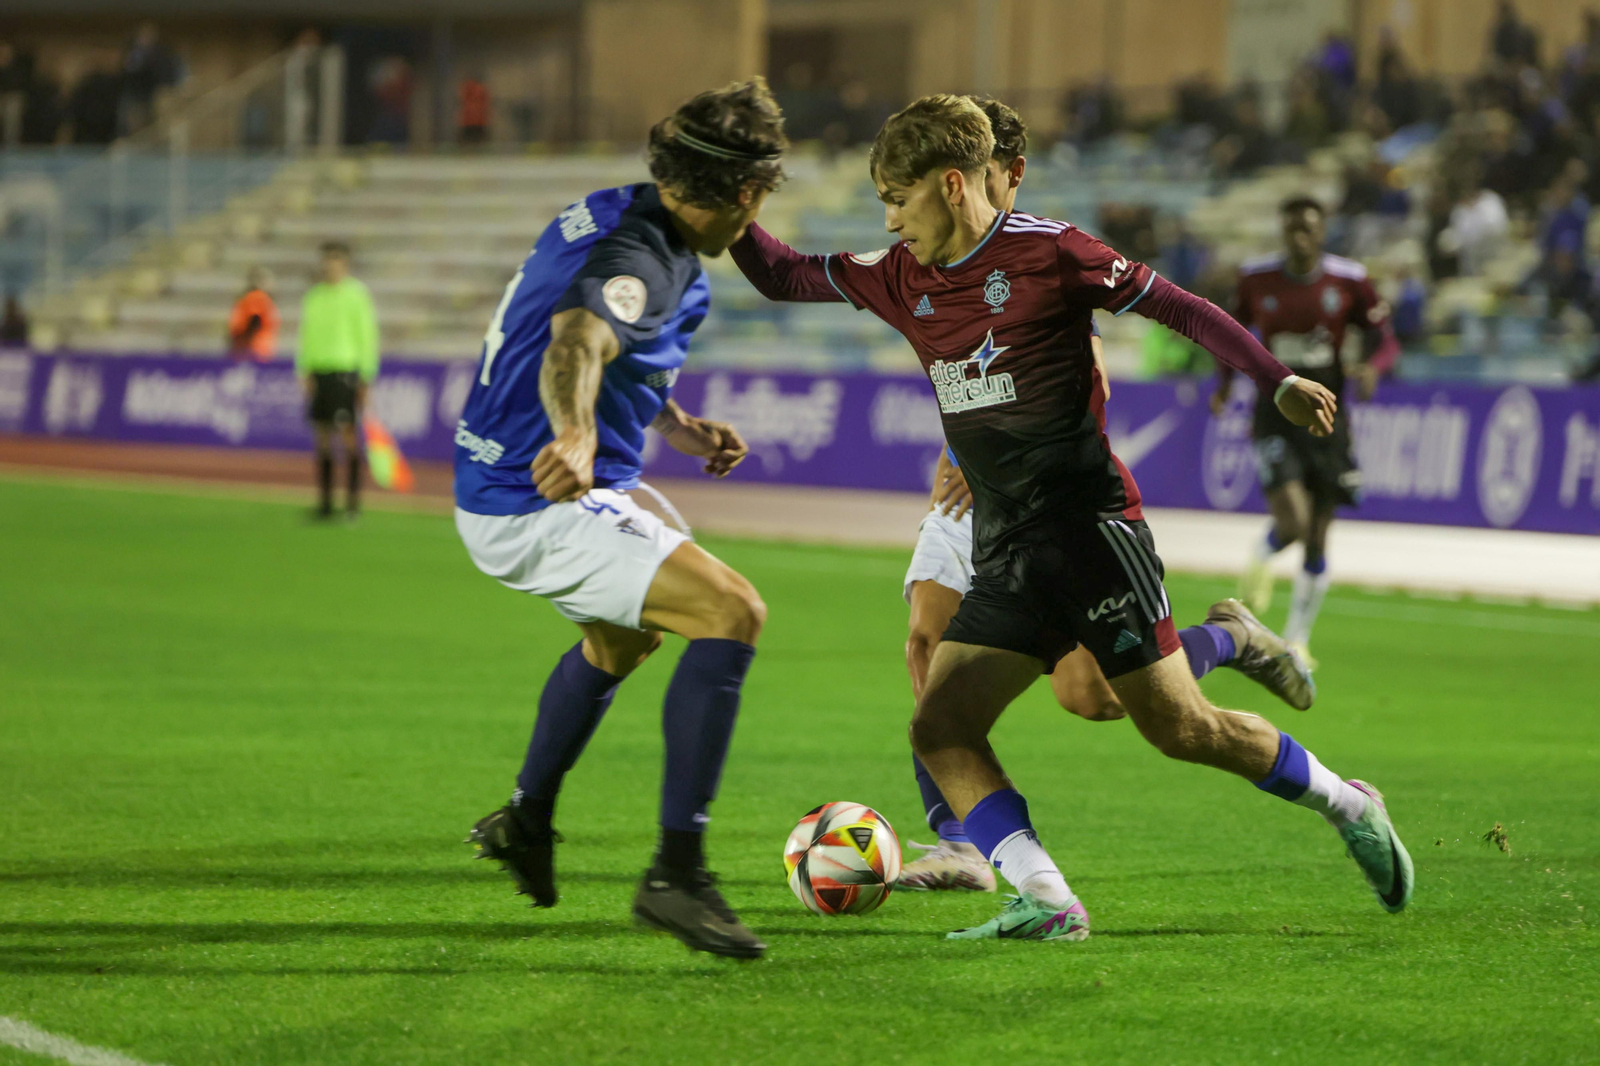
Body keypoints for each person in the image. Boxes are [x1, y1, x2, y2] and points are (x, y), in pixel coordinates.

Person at [732, 94, 1412, 942]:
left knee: (1181, 729)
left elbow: (1179, 308)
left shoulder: (1051, 253)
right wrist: (732, 196)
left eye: (896, 198)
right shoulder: (900, 275)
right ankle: (1048, 899)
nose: (889, 218)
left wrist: (1273, 377)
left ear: (950, 184)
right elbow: (781, 274)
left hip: (1093, 536)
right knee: (940, 725)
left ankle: (1348, 804)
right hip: (1007, 548)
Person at [898, 97, 1315, 894]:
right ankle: (958, 842)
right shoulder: (926, 243)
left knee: (1093, 695)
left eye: (1004, 176)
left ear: (1008, 177)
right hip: (972, 498)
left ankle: (1229, 639)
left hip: (1054, 504)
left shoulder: (1044, 257)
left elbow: (1073, 372)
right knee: (925, 640)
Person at [457, 79, 785, 960]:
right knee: (732, 612)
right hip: (537, 498)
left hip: (518, 481)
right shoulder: (646, 256)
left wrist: (675, 425)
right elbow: (577, 340)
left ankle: (526, 820)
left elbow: (617, 345)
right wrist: (572, 429)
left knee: (622, 643)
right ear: (748, 194)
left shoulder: (614, 214)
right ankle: (677, 873)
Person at [1214, 197, 1398, 666]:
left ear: (1321, 232)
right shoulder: (1257, 279)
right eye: (1292, 228)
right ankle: (1262, 554)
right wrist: (1223, 384)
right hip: (1275, 411)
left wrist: (1373, 367)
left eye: (1308, 229)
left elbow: (1384, 337)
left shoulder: (1349, 280)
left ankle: (1297, 639)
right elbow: (1228, 333)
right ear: (1283, 231)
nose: (1300, 237)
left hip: (1327, 414)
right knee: (1293, 523)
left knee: (1318, 534)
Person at [296, 242, 379, 519]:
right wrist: (304, 370)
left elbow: (366, 337)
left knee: (347, 436)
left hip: (345, 371)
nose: (331, 267)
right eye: (327, 262)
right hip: (320, 372)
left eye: (336, 262)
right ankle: (326, 504)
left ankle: (353, 504)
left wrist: (366, 377)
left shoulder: (357, 295)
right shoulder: (314, 296)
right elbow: (305, 336)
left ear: (345, 265)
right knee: (322, 436)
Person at [228, 267, 279, 361]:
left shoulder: (246, 297)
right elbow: (254, 319)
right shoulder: (257, 297)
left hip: (249, 349)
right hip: (256, 350)